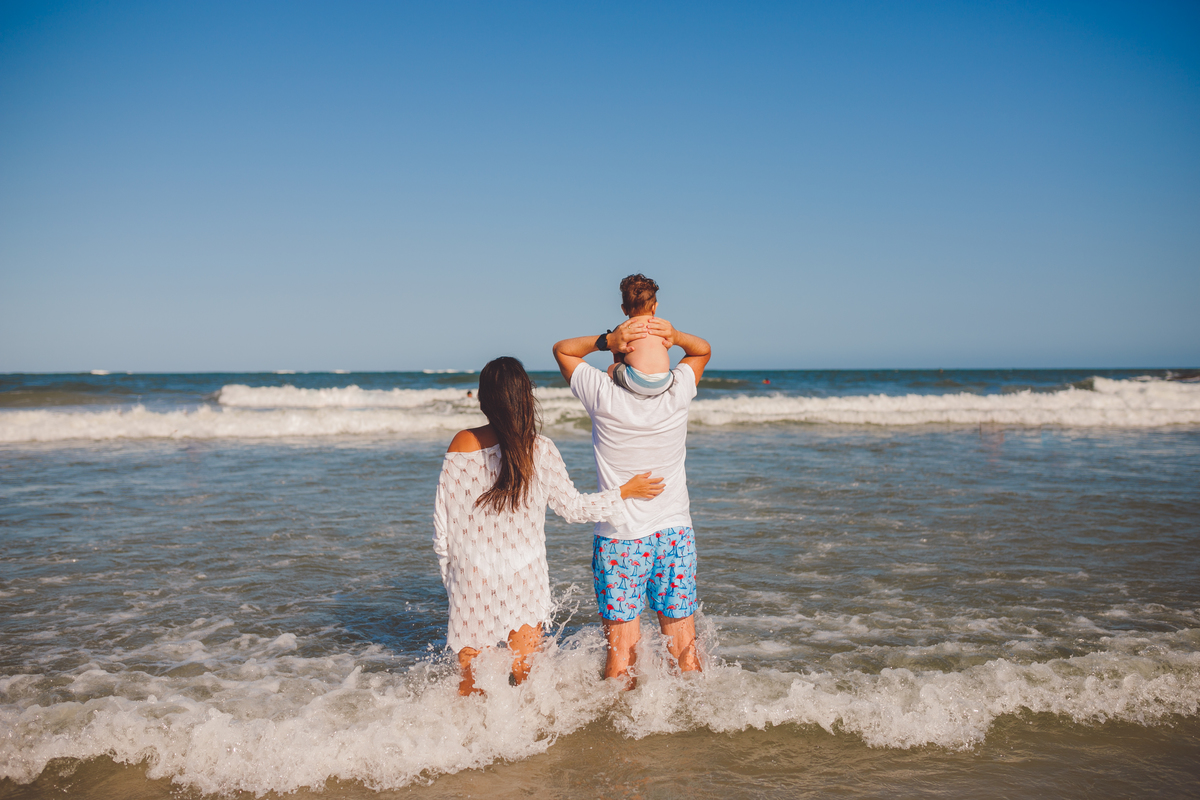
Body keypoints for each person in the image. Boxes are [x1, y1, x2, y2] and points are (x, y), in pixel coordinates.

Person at [433, 356, 665, 695]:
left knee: (470, 682)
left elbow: (443, 528)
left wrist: (453, 582)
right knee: (526, 676)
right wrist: (625, 492)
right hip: (524, 576)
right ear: (525, 397)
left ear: (484, 399)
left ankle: (469, 743)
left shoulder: (461, 444)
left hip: (473, 575)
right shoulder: (539, 449)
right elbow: (573, 508)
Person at [552, 301, 711, 687]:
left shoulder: (601, 391)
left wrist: (607, 340)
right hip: (674, 533)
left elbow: (562, 349)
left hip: (621, 538)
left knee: (621, 651)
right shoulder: (679, 391)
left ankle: (619, 741)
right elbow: (701, 349)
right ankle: (699, 733)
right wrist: (675, 336)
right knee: (684, 647)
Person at [605, 274, 673, 397]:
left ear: (624, 309)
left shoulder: (624, 328)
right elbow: (666, 345)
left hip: (637, 380)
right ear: (654, 307)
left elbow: (615, 348)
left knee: (611, 368)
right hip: (665, 381)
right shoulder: (661, 326)